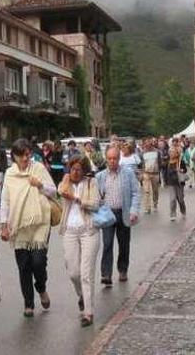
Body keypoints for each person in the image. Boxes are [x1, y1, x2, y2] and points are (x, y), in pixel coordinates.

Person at [0, 138, 56, 317]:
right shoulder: (10, 174)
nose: (26, 158)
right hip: (19, 225)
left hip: (40, 222)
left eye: (28, 154)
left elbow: (53, 191)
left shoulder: (38, 168)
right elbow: (5, 200)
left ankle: (41, 287)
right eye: (22, 155)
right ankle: (28, 303)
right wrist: (3, 225)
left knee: (38, 262)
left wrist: (39, 185)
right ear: (14, 156)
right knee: (23, 266)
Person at [57, 155, 101, 327]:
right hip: (69, 231)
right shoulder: (66, 180)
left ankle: (88, 313)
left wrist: (76, 199)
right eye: (72, 168)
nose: (74, 172)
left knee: (86, 273)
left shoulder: (91, 183)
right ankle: (82, 295)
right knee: (73, 272)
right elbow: (59, 190)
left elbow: (95, 204)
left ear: (84, 171)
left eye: (78, 169)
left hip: (89, 231)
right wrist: (66, 184)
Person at [96, 147, 141, 285]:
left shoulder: (128, 174)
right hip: (108, 214)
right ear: (106, 159)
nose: (112, 161)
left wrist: (134, 211)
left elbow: (135, 193)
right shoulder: (100, 176)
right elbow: (96, 196)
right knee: (107, 244)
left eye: (115, 158)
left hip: (124, 212)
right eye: (109, 158)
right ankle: (106, 274)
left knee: (123, 244)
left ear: (119, 158)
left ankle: (122, 269)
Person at [166, 139, 187, 221]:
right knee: (172, 199)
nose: (172, 154)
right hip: (171, 182)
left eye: (173, 152)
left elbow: (185, 170)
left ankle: (183, 211)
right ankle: (173, 214)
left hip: (179, 182)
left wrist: (181, 170)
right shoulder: (169, 162)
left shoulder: (180, 161)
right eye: (170, 152)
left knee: (180, 199)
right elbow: (166, 172)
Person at [141, 139, 161, 214]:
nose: (147, 146)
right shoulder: (143, 152)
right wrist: (142, 173)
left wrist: (158, 171)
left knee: (155, 191)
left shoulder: (157, 152)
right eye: (146, 145)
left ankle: (155, 204)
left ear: (151, 144)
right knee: (146, 191)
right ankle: (147, 208)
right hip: (146, 173)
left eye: (148, 144)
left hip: (155, 173)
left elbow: (160, 162)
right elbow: (142, 163)